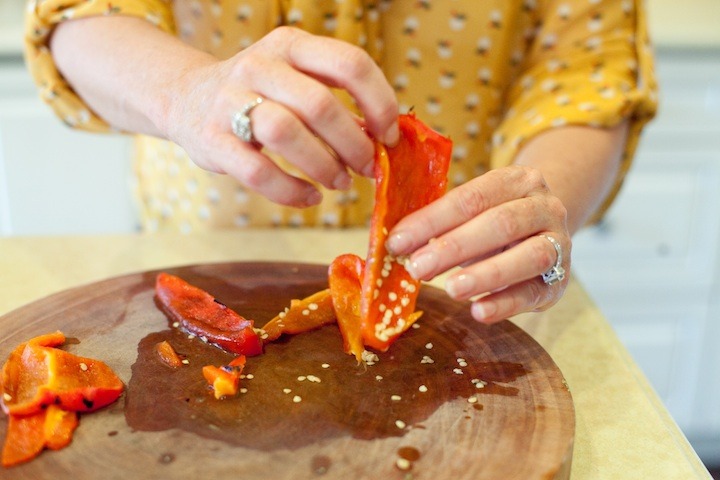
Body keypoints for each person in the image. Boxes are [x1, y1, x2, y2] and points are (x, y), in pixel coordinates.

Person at [24, 0, 657, 325]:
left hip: (461, 288)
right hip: (200, 248)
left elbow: (587, 72)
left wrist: (538, 206)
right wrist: (186, 93)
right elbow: (76, 16)